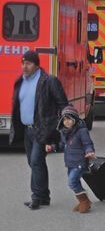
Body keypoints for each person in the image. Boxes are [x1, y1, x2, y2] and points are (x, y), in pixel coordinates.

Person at [10, 50, 69, 210]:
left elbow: (62, 103)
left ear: (36, 65)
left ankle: (36, 197)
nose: (25, 66)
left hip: (43, 128)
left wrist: (63, 123)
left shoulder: (48, 81)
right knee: (33, 161)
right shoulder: (20, 81)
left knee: (36, 160)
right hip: (27, 129)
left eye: (28, 63)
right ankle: (44, 196)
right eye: (23, 63)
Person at [56, 106, 95, 213]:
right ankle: (85, 201)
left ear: (74, 119)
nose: (66, 122)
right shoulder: (64, 132)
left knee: (72, 182)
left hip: (80, 162)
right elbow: (62, 145)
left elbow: (88, 143)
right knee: (75, 181)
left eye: (69, 119)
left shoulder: (82, 131)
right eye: (64, 119)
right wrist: (53, 147)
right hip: (70, 162)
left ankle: (84, 201)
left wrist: (89, 151)